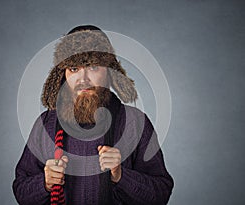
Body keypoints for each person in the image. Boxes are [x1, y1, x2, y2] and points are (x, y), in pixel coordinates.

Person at [12, 25, 174, 205]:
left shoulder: (136, 123)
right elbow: (21, 191)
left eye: (93, 67)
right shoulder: (46, 124)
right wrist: (44, 183)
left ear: (110, 72)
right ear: (63, 75)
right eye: (74, 68)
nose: (83, 79)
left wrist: (121, 176)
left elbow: (161, 194)